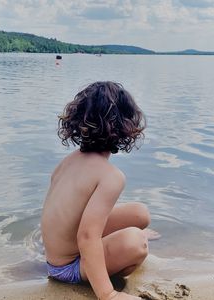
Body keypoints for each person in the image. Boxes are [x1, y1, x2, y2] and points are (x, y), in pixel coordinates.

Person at [41, 81, 159, 300]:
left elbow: (70, 219)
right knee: (136, 242)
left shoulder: (69, 161)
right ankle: (104, 281)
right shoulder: (110, 176)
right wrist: (108, 294)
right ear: (126, 128)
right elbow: (87, 236)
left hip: (56, 253)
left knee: (140, 214)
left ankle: (109, 249)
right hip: (67, 269)